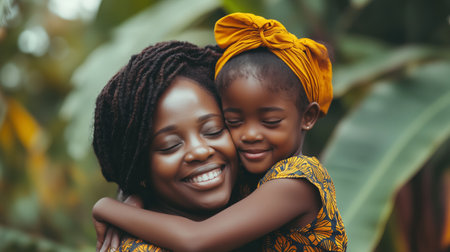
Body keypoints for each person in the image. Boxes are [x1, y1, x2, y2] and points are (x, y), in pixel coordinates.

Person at [93, 13, 348, 251]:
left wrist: (109, 208)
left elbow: (196, 239)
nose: (250, 134)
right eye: (234, 122)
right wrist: (135, 195)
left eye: (214, 130)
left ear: (308, 117)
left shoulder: (297, 179)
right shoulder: (254, 179)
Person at [91, 41, 241, 252]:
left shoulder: (268, 188)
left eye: (213, 130)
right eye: (170, 146)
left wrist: (114, 207)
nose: (199, 151)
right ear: (141, 168)